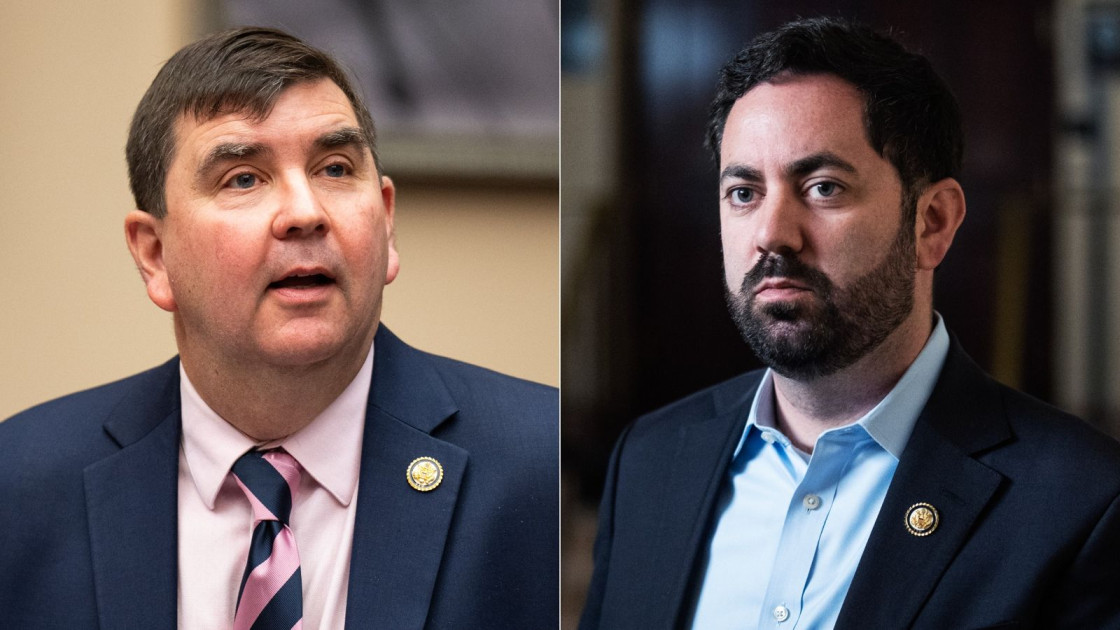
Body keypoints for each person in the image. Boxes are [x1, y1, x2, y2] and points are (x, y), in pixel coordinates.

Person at [0, 27, 557, 629]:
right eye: (243, 177)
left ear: (388, 225)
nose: (305, 213)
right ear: (155, 256)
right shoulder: (22, 483)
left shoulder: (538, 466)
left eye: (335, 168)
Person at [580, 17, 1120, 630]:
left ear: (933, 222)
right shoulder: (649, 460)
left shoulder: (1083, 502)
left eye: (823, 187)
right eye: (743, 192)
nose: (772, 235)